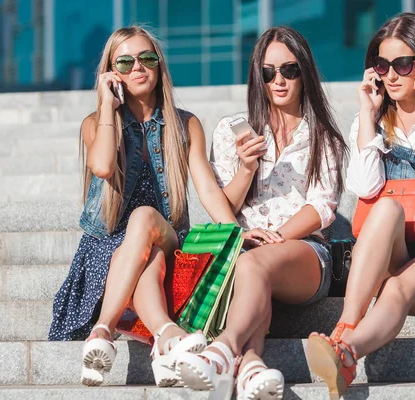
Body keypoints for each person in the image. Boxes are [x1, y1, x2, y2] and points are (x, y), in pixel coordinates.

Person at [48, 26, 238, 387]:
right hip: (107, 248)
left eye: (147, 58)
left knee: (143, 219)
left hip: (165, 234)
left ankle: (102, 330)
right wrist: (107, 106)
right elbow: (103, 166)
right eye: (125, 61)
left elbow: (208, 191)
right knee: (145, 258)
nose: (138, 67)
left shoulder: (185, 124)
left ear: (159, 65)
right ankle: (166, 336)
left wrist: (237, 233)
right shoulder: (97, 124)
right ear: (111, 72)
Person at [306, 12, 415, 399]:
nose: (391, 75)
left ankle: (346, 355)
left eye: (403, 64)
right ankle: (346, 327)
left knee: (397, 289)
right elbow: (364, 187)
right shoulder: (370, 119)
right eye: (382, 65)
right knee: (385, 207)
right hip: (393, 247)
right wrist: (368, 117)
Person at [174, 26, 347, 400]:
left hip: (303, 252)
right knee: (251, 265)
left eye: (289, 70)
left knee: (254, 264)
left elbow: (322, 207)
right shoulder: (232, 131)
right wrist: (246, 169)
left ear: (305, 72)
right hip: (246, 246)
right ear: (258, 75)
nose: (279, 80)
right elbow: (226, 205)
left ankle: (222, 350)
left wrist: (277, 236)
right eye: (268, 72)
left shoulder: (324, 137)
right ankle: (252, 365)